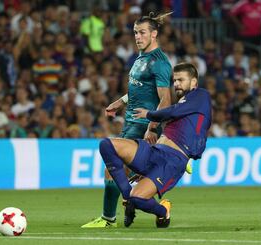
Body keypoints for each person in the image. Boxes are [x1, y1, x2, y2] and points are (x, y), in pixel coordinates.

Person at [81, 12, 173, 228]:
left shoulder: (159, 63)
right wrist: (120, 101)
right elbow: (140, 89)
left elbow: (165, 100)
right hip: (131, 123)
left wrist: (152, 127)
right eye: (135, 33)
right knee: (119, 170)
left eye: (142, 33)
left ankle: (111, 217)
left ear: (154, 34)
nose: (137, 37)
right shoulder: (141, 58)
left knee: (114, 168)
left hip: (143, 126)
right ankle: (130, 206)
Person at [99, 62, 212, 228]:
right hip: (155, 151)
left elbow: (171, 111)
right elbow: (149, 93)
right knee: (106, 145)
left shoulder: (201, 96)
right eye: (175, 80)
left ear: (194, 82)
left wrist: (149, 115)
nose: (177, 84)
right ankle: (126, 196)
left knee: (138, 199)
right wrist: (121, 101)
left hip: (172, 161)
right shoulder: (185, 105)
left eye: (181, 80)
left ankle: (162, 211)